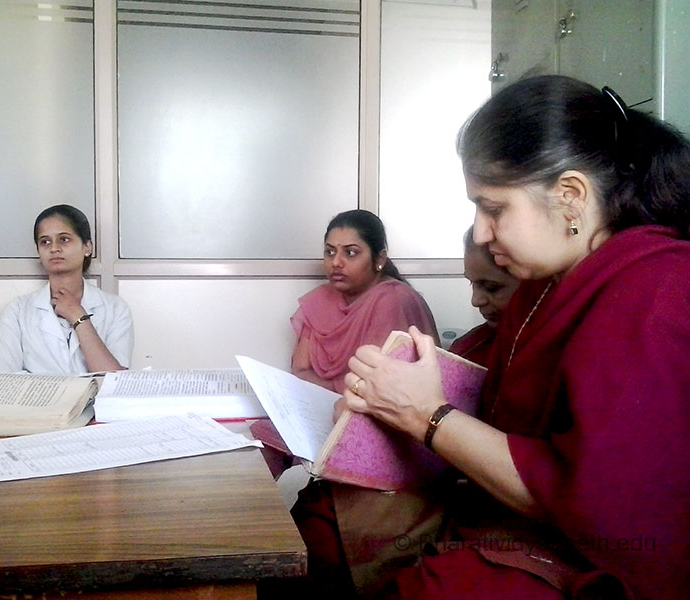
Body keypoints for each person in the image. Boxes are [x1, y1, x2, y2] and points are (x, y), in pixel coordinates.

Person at [341, 76, 690, 599]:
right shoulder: (543, 283)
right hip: (503, 518)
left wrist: (425, 414)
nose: (481, 233)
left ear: (571, 196)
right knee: (325, 516)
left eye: (494, 208)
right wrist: (380, 410)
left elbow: (596, 504)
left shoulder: (656, 291)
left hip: (593, 556)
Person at [290, 209, 439, 394]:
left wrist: (334, 393)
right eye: (330, 252)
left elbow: (375, 385)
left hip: (376, 409)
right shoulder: (320, 300)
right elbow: (300, 370)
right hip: (320, 404)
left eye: (350, 253)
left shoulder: (391, 299)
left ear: (380, 259)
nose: (336, 262)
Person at [0, 204, 133, 374]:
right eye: (45, 242)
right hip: (39, 393)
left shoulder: (116, 308)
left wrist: (79, 317)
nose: (54, 248)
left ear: (87, 247)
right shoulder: (18, 311)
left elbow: (114, 380)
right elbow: (2, 380)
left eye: (64, 239)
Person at [449, 226, 519, 366]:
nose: (475, 301)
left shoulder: (560, 354)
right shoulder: (467, 351)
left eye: (491, 287)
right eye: (472, 283)